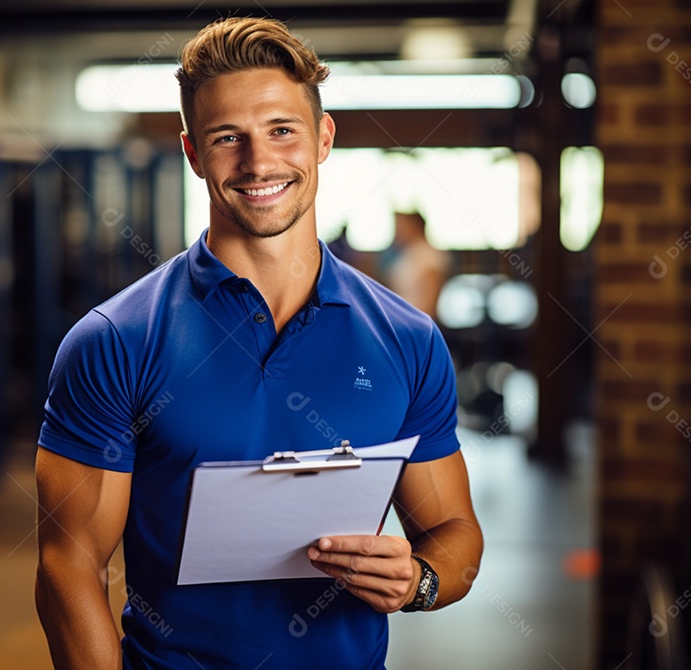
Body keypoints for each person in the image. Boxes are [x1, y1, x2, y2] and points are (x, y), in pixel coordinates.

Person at [35, 17, 483, 669]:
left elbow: (455, 533)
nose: (259, 162)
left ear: (323, 139)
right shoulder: (115, 342)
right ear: (193, 154)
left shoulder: (407, 340)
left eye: (281, 130)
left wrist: (420, 580)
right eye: (227, 138)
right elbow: (69, 566)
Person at [382, 211, 451, 320]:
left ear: (415, 226)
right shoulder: (406, 254)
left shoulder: (428, 256)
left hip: (414, 322)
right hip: (400, 318)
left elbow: (430, 303)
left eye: (402, 226)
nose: (398, 231)